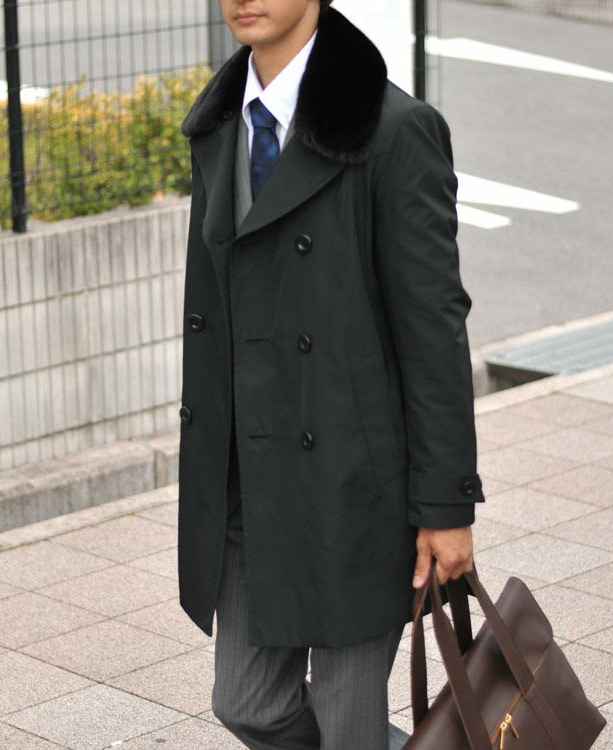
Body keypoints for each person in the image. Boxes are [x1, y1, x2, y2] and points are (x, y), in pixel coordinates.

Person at [176, 1, 485, 747]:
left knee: (349, 723)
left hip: (357, 487)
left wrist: (446, 505)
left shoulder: (394, 131)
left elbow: (433, 331)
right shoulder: (219, 126)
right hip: (251, 478)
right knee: (245, 702)